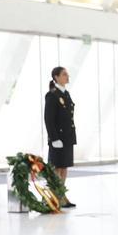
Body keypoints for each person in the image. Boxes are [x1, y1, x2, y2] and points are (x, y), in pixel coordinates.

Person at [44, 67, 77, 208]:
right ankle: (53, 197)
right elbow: (48, 119)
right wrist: (54, 138)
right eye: (64, 74)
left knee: (64, 167)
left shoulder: (66, 94)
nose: (67, 76)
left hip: (67, 137)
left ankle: (61, 195)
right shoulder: (52, 95)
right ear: (56, 77)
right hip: (58, 138)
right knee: (56, 168)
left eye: (67, 74)